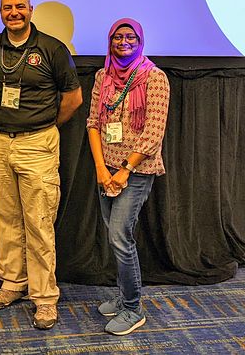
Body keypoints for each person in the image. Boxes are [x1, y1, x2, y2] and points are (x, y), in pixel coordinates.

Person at [0, 0, 82, 330]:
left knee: (38, 221)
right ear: (0, 11)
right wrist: (8, 120)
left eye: (20, 6)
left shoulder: (53, 48)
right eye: (7, 7)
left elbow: (73, 98)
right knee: (5, 218)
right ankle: (12, 283)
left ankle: (45, 298)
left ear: (31, 9)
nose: (14, 12)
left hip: (38, 143)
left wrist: (43, 124)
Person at [86, 18, 170, 335]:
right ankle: (122, 300)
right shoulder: (102, 77)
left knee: (121, 236)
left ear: (140, 41)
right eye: (118, 36)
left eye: (130, 36)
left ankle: (133, 309)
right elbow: (93, 123)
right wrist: (100, 169)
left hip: (135, 172)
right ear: (110, 41)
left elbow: (152, 135)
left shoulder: (154, 78)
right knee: (115, 236)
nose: (123, 41)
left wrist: (124, 170)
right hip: (105, 170)